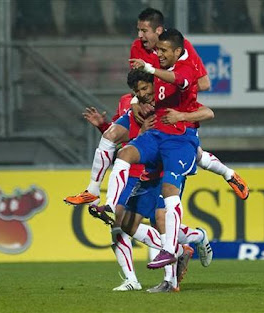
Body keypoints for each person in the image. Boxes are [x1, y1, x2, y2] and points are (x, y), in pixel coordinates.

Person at [64, 8, 249, 207]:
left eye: (144, 31)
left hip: (176, 106)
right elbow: (137, 82)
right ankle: (93, 191)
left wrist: (169, 87)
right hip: (149, 105)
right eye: (138, 30)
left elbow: (203, 83)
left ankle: (228, 174)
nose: (139, 36)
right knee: (110, 134)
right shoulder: (137, 47)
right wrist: (137, 101)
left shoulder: (181, 47)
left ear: (158, 31)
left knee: (196, 155)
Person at [89, 29, 212, 271]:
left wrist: (151, 70)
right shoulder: (140, 97)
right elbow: (123, 132)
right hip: (150, 158)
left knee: (163, 215)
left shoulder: (184, 69)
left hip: (177, 144)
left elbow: (194, 96)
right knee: (124, 156)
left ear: (177, 50)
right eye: (138, 91)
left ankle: (187, 247)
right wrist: (133, 103)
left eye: (163, 50)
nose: (158, 54)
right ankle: (111, 204)